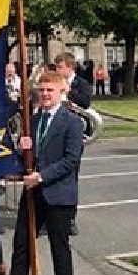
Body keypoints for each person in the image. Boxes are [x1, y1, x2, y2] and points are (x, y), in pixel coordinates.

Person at [0, 71, 83, 275]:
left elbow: (71, 160)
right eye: (42, 90)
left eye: (50, 90)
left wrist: (41, 176)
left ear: (62, 92)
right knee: (22, 245)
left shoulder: (72, 122)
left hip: (59, 195)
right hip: (33, 194)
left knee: (59, 247)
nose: (45, 94)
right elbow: (30, 157)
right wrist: (21, 158)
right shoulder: (33, 121)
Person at [54, 52, 91, 237]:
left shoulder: (81, 83)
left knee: (71, 177)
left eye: (60, 67)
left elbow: (85, 103)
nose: (57, 70)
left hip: (74, 134)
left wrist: (69, 91)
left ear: (70, 67)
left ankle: (70, 219)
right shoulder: (54, 82)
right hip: (56, 133)